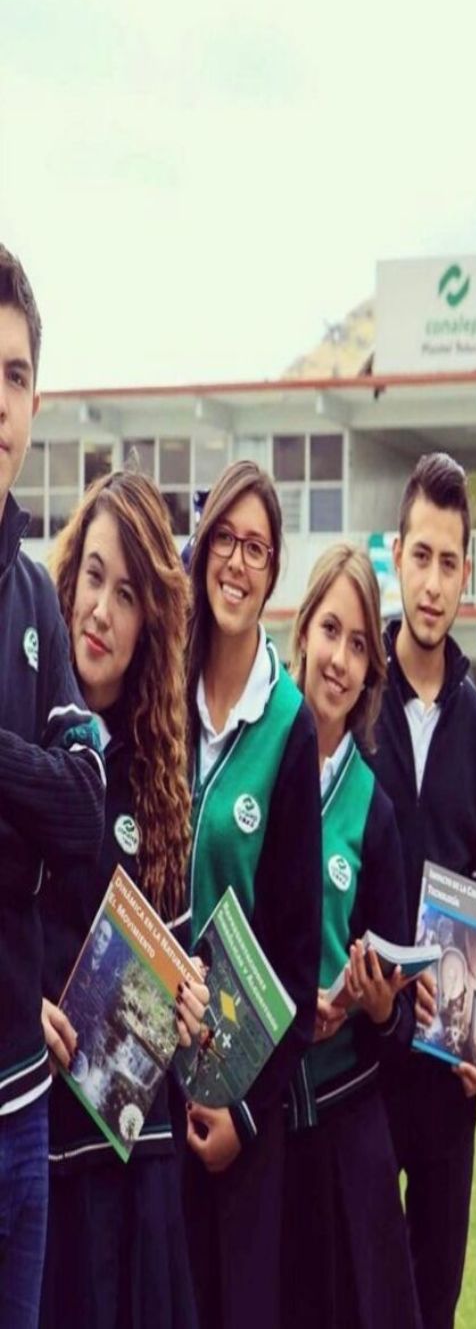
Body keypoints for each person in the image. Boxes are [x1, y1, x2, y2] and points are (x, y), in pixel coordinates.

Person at [39, 469, 208, 1329]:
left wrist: (191, 1003)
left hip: (135, 1171)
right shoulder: (25, 732)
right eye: (94, 578)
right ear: (68, 581)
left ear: (151, 625)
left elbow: (175, 961)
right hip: (37, 1154)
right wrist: (19, 1001)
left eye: (128, 594)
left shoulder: (160, 781)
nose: (101, 610)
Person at [365, 453, 476, 1329]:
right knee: (359, 1296)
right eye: (419, 556)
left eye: (448, 562)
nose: (431, 582)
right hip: (361, 1070)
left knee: (435, 1306)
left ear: (465, 573)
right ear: (396, 555)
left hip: (446, 1080)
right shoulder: (355, 699)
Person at [182, 459, 322, 1329]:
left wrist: (243, 1110)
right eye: (225, 540)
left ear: (272, 575)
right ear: (201, 552)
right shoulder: (160, 689)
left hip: (238, 1110)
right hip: (142, 1091)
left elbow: (297, 961)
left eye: (257, 548)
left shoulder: (289, 725)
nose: (237, 561)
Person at [0, 244, 105, 1329]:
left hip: (22, 1112)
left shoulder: (36, 599)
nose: (0, 400)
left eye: (16, 374)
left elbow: (82, 812)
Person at [281, 543, 421, 1329]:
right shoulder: (254, 762)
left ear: (371, 671)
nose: (339, 658)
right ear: (303, 631)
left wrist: (376, 1005)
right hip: (261, 1127)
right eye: (331, 630)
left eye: (360, 643)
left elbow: (397, 1026)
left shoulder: (374, 810)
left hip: (348, 1137)